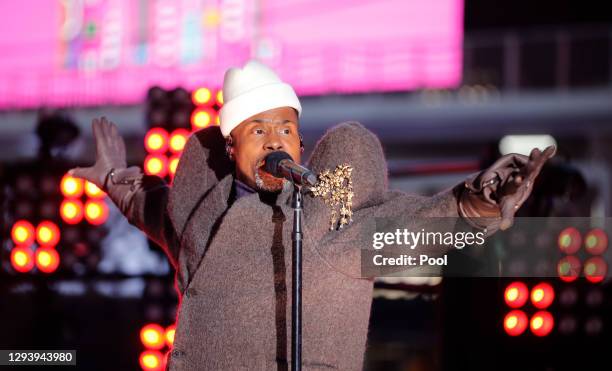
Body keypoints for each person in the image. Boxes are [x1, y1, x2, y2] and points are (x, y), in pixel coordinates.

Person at [69, 60, 555, 370]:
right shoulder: (203, 217)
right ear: (232, 144)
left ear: (300, 142)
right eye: (257, 129)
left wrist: (476, 205)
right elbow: (154, 210)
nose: (275, 139)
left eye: (285, 127)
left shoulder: (329, 220)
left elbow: (412, 230)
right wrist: (116, 180)